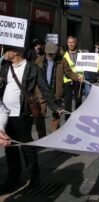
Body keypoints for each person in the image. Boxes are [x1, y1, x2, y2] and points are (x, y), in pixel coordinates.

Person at [0, 46, 62, 193]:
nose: (3, 54)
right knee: (9, 147)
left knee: (26, 145)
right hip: (5, 115)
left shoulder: (32, 68)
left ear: (15, 52)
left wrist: (54, 106)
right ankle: (13, 177)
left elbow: (44, 88)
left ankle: (34, 176)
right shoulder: (4, 67)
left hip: (22, 114)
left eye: (5, 51)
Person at [63, 36, 84, 120]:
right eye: (69, 42)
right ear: (67, 43)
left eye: (72, 42)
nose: (71, 44)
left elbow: (86, 66)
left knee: (78, 100)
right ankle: (67, 119)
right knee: (67, 101)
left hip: (79, 79)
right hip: (67, 80)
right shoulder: (64, 55)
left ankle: (77, 118)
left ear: (76, 43)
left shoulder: (81, 53)